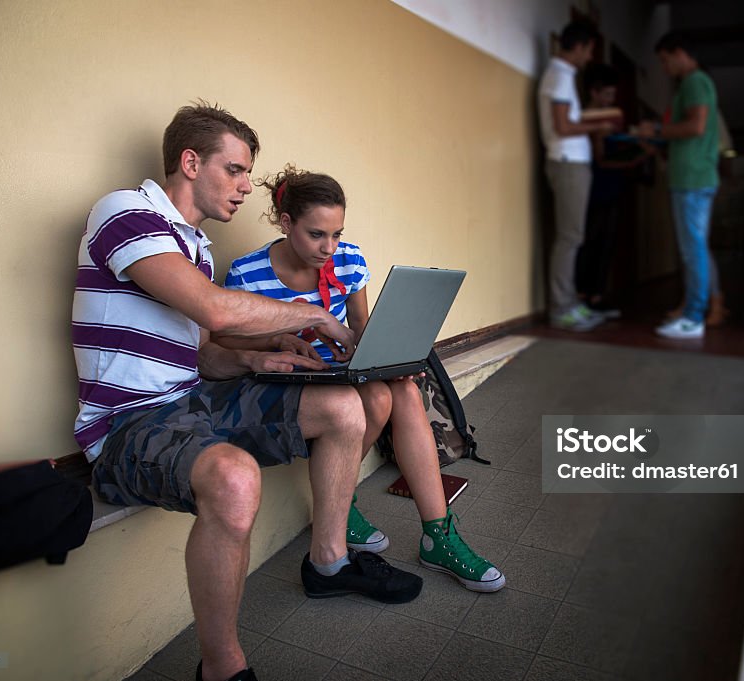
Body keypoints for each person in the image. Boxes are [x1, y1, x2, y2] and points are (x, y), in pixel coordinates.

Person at [72, 102, 421, 681]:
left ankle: (330, 563)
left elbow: (205, 351)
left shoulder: (197, 245)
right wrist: (311, 316)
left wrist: (260, 357)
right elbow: (210, 306)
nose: (245, 187)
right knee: (235, 479)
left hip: (193, 399)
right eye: (234, 170)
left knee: (341, 405)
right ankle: (223, 669)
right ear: (189, 162)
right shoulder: (125, 212)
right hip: (126, 424)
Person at [222, 165, 506, 593]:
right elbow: (225, 337)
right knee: (377, 400)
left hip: (338, 372)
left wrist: (380, 354)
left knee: (403, 391)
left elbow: (360, 327)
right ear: (286, 223)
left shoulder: (349, 260)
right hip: (287, 381)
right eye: (317, 234)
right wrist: (279, 339)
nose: (329, 247)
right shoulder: (247, 273)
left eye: (336, 234)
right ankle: (344, 506)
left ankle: (438, 535)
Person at [537, 20, 619, 331]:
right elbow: (562, 127)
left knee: (573, 236)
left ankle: (570, 303)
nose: (590, 56)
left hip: (572, 162)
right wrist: (599, 126)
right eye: (590, 50)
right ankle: (562, 308)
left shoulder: (564, 76)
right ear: (580, 46)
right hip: (568, 162)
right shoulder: (559, 76)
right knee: (570, 237)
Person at [639, 31, 720, 339]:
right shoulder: (695, 83)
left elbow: (696, 126)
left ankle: (693, 317)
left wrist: (658, 128)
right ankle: (693, 313)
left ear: (680, 52)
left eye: (664, 59)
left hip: (692, 179)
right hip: (693, 178)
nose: (664, 67)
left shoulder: (694, 82)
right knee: (693, 249)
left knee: (693, 251)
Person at [576, 63, 654, 315]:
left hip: (610, 186)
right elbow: (601, 159)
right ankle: (584, 297)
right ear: (595, 92)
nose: (611, 100)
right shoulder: (590, 119)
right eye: (607, 95)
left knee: (605, 244)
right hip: (596, 187)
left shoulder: (607, 118)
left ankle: (596, 297)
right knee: (591, 243)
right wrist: (637, 156)